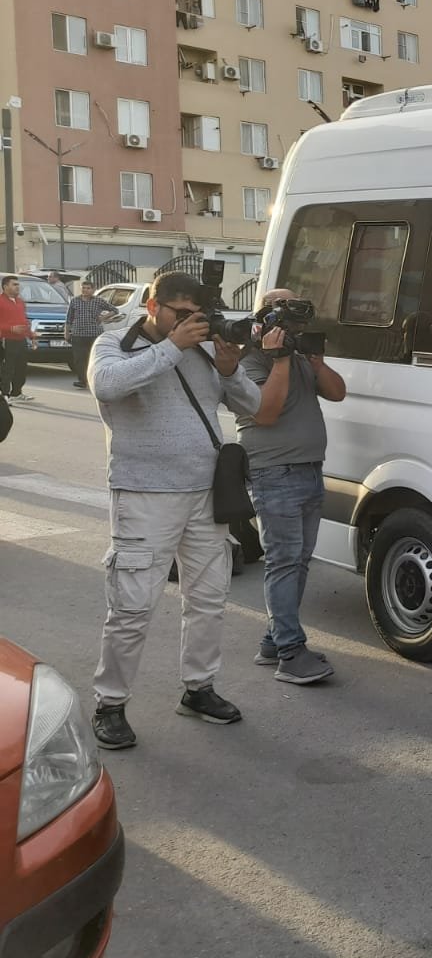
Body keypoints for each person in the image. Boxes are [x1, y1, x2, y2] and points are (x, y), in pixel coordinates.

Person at [86, 272, 262, 751]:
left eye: (194, 315)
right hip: (144, 497)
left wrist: (229, 371)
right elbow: (107, 385)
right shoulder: (113, 343)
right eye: (177, 313)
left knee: (208, 598)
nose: (187, 323)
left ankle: (199, 688)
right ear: (151, 304)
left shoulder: (205, 350)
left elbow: (254, 404)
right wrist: (173, 347)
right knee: (133, 605)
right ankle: (111, 704)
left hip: (206, 497)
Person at [235, 289, 346, 685]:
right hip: (274, 473)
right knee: (283, 562)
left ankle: (273, 640)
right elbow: (268, 411)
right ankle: (290, 653)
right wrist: (281, 358)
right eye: (284, 316)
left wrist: (313, 361)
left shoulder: (298, 358)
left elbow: (337, 391)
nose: (293, 328)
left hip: (309, 471)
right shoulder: (247, 360)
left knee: (298, 562)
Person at [66, 280, 119, 389]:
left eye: (88, 288)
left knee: (94, 358)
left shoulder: (99, 301)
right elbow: (69, 318)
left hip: (94, 334)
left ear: (93, 290)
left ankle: (94, 379)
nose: (85, 290)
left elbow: (114, 310)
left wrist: (103, 318)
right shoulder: (75, 301)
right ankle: (82, 380)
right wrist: (66, 332)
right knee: (79, 359)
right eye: (83, 288)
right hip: (78, 333)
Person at [0, 275, 36, 402]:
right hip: (6, 339)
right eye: (14, 284)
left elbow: (23, 320)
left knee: (21, 368)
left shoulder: (20, 302)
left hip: (21, 340)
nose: (17, 287)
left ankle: (17, 392)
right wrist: (10, 329)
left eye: (17, 284)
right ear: (5, 286)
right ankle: (4, 395)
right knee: (7, 368)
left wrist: (31, 335)